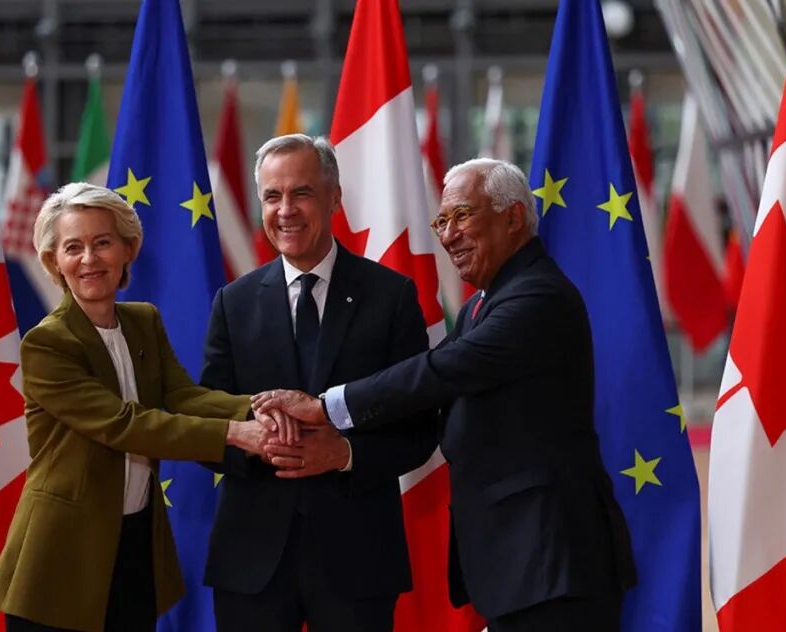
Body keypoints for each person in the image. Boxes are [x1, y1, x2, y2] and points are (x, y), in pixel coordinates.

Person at [253, 158, 637, 631]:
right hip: (522, 566)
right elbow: (424, 390)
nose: (448, 234)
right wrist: (347, 449)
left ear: (513, 217)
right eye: (441, 221)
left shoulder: (538, 297)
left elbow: (439, 372)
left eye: (461, 215)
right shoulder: (484, 303)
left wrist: (325, 406)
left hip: (553, 561)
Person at [0, 182, 277, 632]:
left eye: (102, 243)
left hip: (135, 543)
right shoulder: (47, 342)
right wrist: (234, 434)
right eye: (73, 247)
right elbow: (123, 424)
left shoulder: (143, 320)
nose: (89, 259)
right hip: (60, 556)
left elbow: (184, 397)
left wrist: (261, 409)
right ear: (54, 261)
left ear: (127, 248)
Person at [200, 134, 437, 632]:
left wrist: (344, 454)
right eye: (272, 195)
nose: (285, 210)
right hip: (252, 560)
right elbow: (207, 421)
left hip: (358, 557)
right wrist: (256, 441)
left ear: (334, 198)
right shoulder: (233, 301)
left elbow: (421, 428)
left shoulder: (391, 296)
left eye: (301, 193)